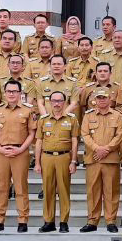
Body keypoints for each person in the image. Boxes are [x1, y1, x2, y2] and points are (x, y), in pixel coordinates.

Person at [0, 79, 37, 233]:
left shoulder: (28, 110)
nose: (11, 94)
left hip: (20, 152)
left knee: (20, 186)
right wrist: (0, 149)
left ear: (20, 93)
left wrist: (21, 149)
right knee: (1, 186)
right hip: (1, 152)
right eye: (9, 91)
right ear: (4, 93)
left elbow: (32, 133)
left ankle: (23, 220)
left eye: (14, 91)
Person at [80, 87, 122, 233]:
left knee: (111, 191)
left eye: (104, 97)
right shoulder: (88, 116)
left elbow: (119, 135)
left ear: (109, 99)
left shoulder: (117, 116)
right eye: (99, 98)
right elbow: (85, 135)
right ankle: (92, 221)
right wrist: (97, 148)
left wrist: (106, 149)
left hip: (110, 159)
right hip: (93, 158)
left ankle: (111, 220)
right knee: (93, 190)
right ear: (95, 100)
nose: (102, 100)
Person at [36, 90, 78, 232]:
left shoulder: (71, 119)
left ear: (64, 102)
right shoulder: (43, 119)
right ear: (49, 102)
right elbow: (39, 141)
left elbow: (74, 141)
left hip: (64, 157)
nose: (57, 103)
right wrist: (36, 162)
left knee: (64, 190)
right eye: (54, 100)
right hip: (46, 157)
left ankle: (64, 221)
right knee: (48, 189)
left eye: (60, 101)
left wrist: (73, 161)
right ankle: (49, 221)